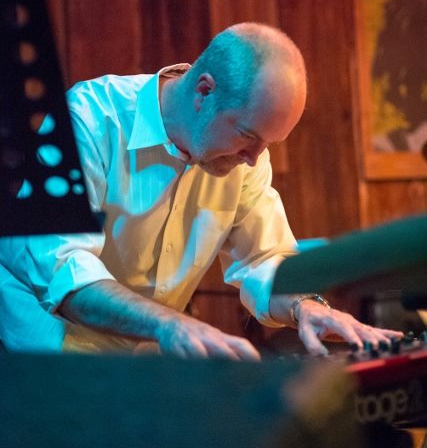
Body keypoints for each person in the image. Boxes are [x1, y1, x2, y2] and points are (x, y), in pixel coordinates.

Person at [0, 23, 402, 357]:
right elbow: (68, 276)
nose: (254, 158)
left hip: (135, 361)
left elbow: (262, 258)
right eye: (248, 136)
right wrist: (172, 324)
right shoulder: (87, 121)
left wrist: (304, 306)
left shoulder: (244, 156)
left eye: (267, 145)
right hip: (39, 362)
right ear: (204, 91)